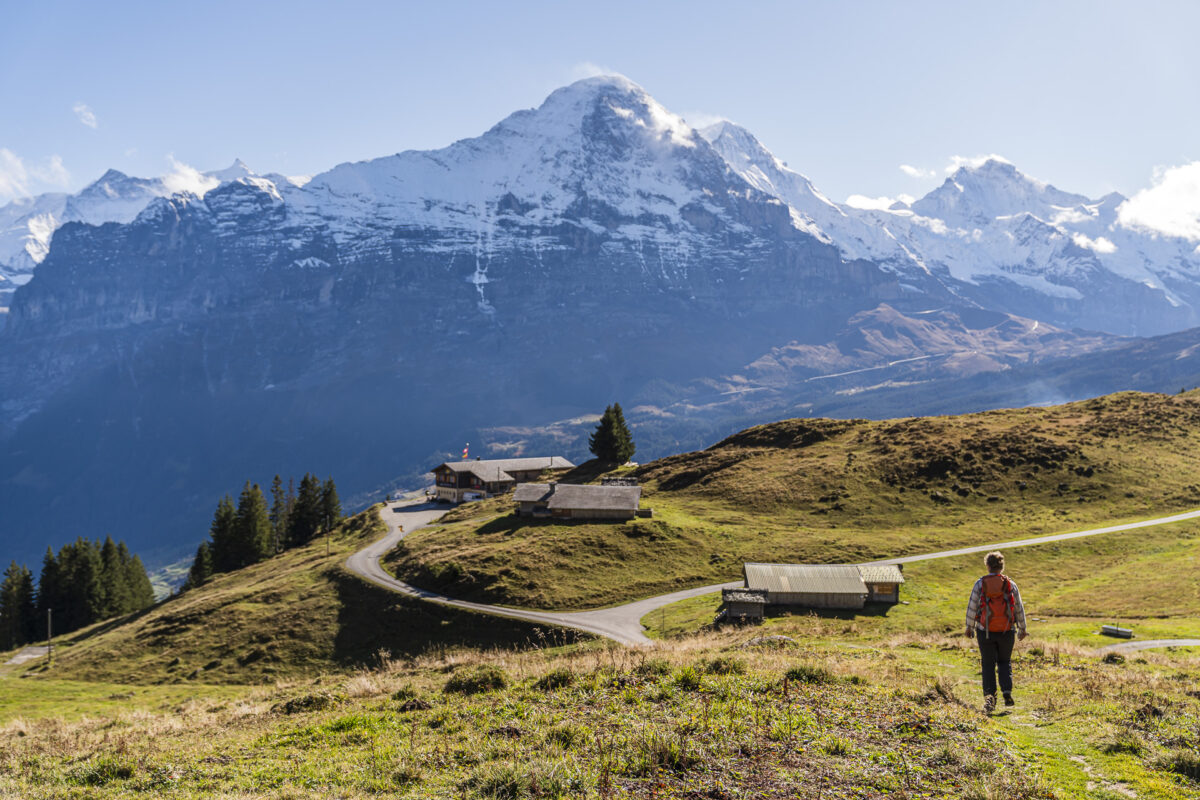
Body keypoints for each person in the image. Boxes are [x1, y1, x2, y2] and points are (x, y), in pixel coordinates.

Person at [964, 550, 1027, 713]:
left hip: (985, 631)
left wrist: (969, 626)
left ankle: (990, 700)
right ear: (1002, 566)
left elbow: (972, 605)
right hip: (1007, 630)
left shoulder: (980, 584)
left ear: (987, 566)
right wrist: (1022, 628)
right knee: (1005, 662)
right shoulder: (1010, 584)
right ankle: (1007, 691)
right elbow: (1018, 607)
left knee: (988, 664)